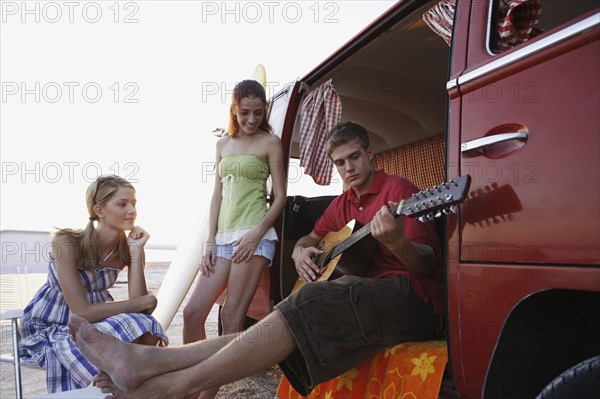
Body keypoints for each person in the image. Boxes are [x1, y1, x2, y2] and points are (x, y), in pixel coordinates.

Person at [68, 121, 445, 399]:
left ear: (370, 155)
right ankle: (146, 367)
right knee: (281, 324)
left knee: (304, 303)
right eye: (340, 162)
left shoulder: (400, 192)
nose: (349, 167)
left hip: (409, 299)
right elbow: (315, 236)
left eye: (354, 157)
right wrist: (300, 250)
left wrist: (396, 241)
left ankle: (162, 381)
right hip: (360, 298)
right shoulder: (343, 203)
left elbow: (427, 266)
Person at [182, 79, 287, 398]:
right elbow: (216, 197)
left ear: (265, 111)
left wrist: (256, 235)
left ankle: (204, 394)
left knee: (230, 318)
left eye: (258, 112)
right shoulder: (222, 145)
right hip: (223, 238)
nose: (252, 119)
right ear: (233, 109)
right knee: (192, 313)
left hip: (254, 235)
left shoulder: (271, 142)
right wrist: (209, 242)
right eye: (245, 113)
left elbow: (280, 197)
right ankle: (193, 379)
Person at [19, 175, 168, 393]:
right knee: (130, 324)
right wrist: (141, 302)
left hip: (98, 318)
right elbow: (81, 312)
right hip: (53, 323)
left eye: (134, 204)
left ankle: (124, 389)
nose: (132, 210)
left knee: (146, 325)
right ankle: (118, 386)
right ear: (99, 210)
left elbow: (142, 307)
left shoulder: (127, 247)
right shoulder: (66, 241)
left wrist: (136, 251)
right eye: (122, 204)